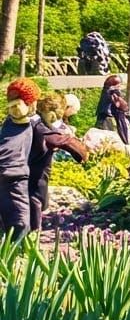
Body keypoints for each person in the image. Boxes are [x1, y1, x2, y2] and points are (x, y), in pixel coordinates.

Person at [29, 92, 88, 232]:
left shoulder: (35, 120)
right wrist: (79, 151)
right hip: (32, 174)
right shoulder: (38, 124)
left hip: (35, 171)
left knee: (40, 200)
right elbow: (56, 138)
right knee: (35, 201)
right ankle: (30, 238)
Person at [0, 79, 41, 240]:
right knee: (20, 223)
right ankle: (15, 257)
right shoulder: (21, 123)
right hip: (14, 177)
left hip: (13, 176)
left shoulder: (13, 123)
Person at [95, 75, 130, 146]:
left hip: (104, 118)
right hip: (108, 120)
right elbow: (123, 107)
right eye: (119, 85)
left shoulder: (106, 92)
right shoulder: (113, 93)